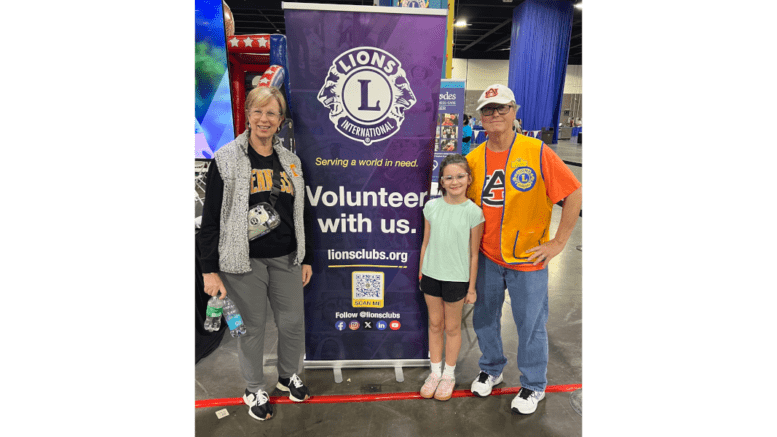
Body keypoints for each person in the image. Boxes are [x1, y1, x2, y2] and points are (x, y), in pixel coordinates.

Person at [197, 86, 314, 422]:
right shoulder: (227, 158)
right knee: (251, 328)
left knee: (292, 323)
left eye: (272, 113)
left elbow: (302, 211)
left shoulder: (291, 162)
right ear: (247, 114)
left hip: (287, 258)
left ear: (281, 121)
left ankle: (287, 375)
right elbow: (212, 218)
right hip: (242, 261)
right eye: (258, 112)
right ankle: (253, 387)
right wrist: (209, 270)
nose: (265, 119)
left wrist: (306, 257)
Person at [465, 84, 582, 415]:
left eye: (502, 108)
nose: (495, 115)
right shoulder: (473, 159)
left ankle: (533, 385)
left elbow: (573, 193)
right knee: (485, 319)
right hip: (487, 257)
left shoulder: (537, 151)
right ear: (480, 119)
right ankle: (491, 367)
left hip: (528, 259)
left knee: (529, 323)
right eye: (488, 110)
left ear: (514, 111)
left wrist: (558, 242)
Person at [418, 154, 485, 401]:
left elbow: (473, 254)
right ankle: (435, 373)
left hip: (457, 279)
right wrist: (421, 270)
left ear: (468, 179)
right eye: (449, 177)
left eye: (460, 176)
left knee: (452, 327)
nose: (454, 181)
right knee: (435, 325)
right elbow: (425, 243)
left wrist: (471, 288)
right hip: (431, 276)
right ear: (442, 182)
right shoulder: (431, 207)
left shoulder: (474, 212)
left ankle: (449, 374)